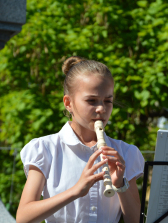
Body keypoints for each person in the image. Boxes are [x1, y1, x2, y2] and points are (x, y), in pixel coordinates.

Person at [17, 56, 145, 223]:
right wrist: (75, 191)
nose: (101, 109)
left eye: (108, 101)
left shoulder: (125, 152)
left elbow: (135, 220)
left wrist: (120, 184)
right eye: (91, 101)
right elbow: (23, 217)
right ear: (68, 103)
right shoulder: (45, 149)